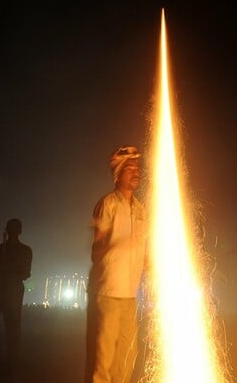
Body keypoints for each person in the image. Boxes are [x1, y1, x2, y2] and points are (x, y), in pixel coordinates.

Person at [85, 145, 148, 383]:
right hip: (108, 293)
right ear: (118, 174)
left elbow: (145, 252)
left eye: (137, 168)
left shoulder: (141, 210)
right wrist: (112, 245)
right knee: (103, 360)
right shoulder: (107, 204)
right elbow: (95, 250)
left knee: (126, 357)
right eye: (129, 168)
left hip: (130, 296)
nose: (136, 172)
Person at [0, 218, 33, 383]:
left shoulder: (23, 251)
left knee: (12, 332)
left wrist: (8, 267)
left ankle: (11, 368)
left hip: (12, 292)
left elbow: (25, 273)